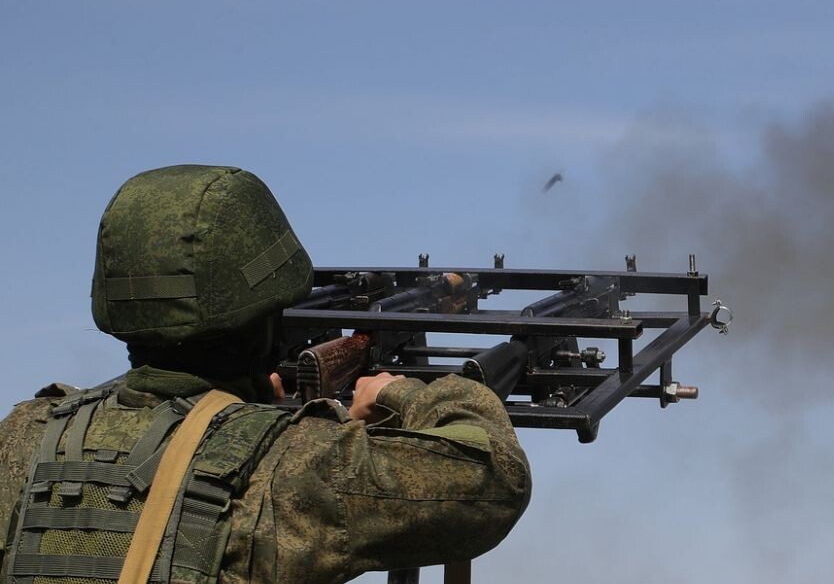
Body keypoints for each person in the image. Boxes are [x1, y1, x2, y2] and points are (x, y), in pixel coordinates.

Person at [0, 165, 531, 583]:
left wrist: (247, 411)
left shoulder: (28, 438)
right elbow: (495, 478)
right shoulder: (300, 465)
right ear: (266, 314)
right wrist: (405, 394)